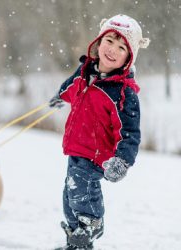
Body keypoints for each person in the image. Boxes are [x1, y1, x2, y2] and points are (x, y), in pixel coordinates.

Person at [49, 14, 150, 249]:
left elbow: (131, 133)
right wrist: (60, 97)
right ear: (99, 41)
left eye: (122, 47)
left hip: (97, 155)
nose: (113, 50)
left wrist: (122, 161)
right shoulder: (86, 72)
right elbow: (71, 85)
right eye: (110, 41)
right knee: (69, 197)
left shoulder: (123, 93)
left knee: (81, 191)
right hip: (76, 148)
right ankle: (78, 242)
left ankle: (92, 223)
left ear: (128, 57)